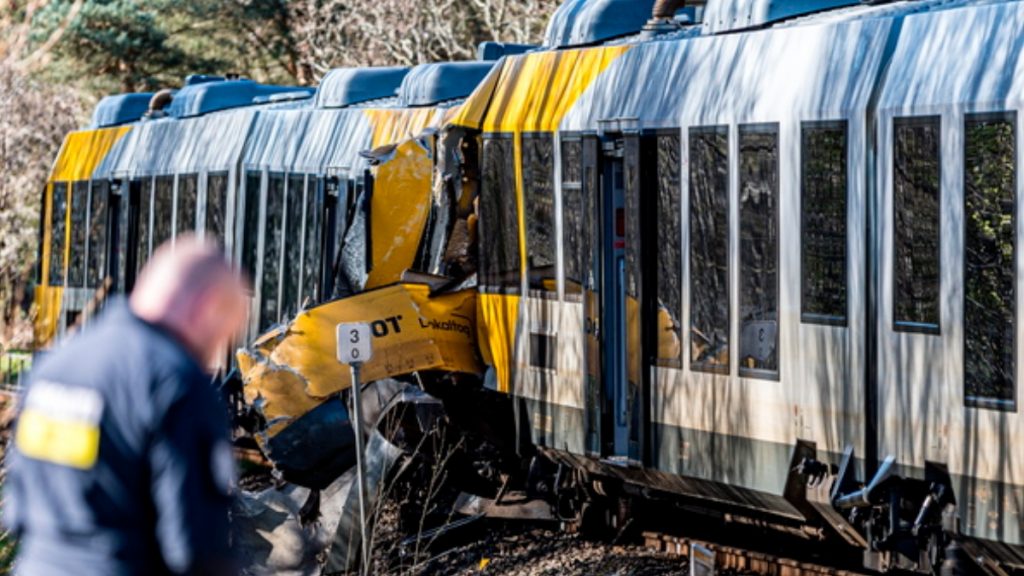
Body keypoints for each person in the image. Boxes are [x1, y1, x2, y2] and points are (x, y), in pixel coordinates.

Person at [5, 237, 249, 576]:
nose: (214, 349)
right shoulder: (175, 382)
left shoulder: (56, 365)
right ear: (206, 307)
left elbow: (18, 502)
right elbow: (195, 547)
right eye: (224, 333)